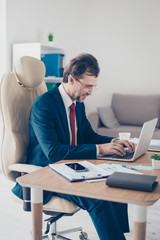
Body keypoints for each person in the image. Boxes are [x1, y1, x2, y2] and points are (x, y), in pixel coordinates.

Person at [12, 53, 135, 240]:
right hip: (45, 174)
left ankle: (116, 235)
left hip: (69, 167)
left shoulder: (78, 104)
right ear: (71, 79)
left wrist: (112, 142)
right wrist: (101, 149)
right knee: (98, 199)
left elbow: (87, 136)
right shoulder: (44, 104)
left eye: (94, 86)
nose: (91, 92)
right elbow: (53, 152)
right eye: (88, 86)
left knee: (115, 183)